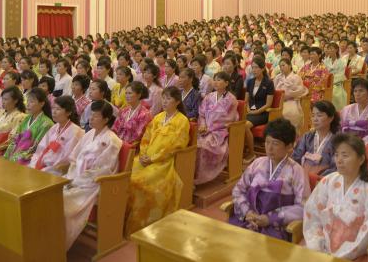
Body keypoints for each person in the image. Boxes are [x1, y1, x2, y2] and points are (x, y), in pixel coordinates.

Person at [303, 133, 368, 260]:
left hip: (354, 255)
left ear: (361, 159)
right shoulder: (328, 181)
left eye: (345, 155)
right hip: (322, 248)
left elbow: (367, 234)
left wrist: (337, 257)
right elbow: (312, 215)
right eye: (336, 155)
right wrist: (317, 246)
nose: (339, 160)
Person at [229, 118, 308, 241]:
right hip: (248, 221)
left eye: (275, 143)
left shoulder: (297, 171)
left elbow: (303, 207)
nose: (269, 148)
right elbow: (238, 190)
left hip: (275, 228)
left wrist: (270, 218)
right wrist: (247, 212)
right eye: (267, 142)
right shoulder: (257, 163)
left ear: (289, 146)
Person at [124, 87, 190, 234]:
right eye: (163, 98)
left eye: (168, 99)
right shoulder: (158, 117)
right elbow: (146, 137)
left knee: (138, 182)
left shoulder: (182, 121)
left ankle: (141, 222)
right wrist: (143, 154)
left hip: (163, 162)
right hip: (146, 158)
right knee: (126, 175)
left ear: (177, 101)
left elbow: (176, 145)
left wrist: (154, 158)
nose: (164, 101)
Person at [62, 101, 122, 249]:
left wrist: (77, 181)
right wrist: (71, 177)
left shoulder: (112, 140)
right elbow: (74, 158)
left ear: (106, 119)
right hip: (76, 177)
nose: (91, 118)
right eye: (91, 115)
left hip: (93, 184)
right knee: (50, 193)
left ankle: (59, 243)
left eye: (96, 116)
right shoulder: (88, 134)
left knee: (63, 201)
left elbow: (104, 169)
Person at [194, 72, 239, 185]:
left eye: (219, 80)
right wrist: (203, 124)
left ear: (226, 83)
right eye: (215, 80)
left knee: (205, 145)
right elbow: (202, 113)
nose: (216, 82)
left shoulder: (232, 100)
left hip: (219, 132)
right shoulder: (209, 97)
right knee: (193, 144)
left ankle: (201, 176)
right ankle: (191, 174)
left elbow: (229, 119)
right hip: (204, 129)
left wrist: (210, 128)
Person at [30, 96, 85, 175]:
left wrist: (46, 166)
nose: (54, 112)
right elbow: (41, 148)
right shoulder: (54, 128)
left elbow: (67, 158)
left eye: (58, 109)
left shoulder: (76, 132)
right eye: (53, 108)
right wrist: (35, 162)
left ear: (68, 112)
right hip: (44, 164)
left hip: (58, 170)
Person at [3, 87, 54, 165]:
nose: (28, 104)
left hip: (30, 159)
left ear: (42, 103)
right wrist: (7, 156)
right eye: (28, 101)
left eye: (32, 101)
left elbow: (36, 148)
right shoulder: (26, 118)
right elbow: (15, 139)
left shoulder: (47, 124)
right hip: (16, 155)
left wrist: (17, 157)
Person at [291, 101, 339, 177]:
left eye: (319, 115)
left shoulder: (338, 140)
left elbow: (335, 166)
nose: (315, 119)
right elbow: (296, 157)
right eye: (313, 116)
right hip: (302, 177)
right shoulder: (307, 137)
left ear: (331, 118)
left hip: (324, 180)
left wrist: (317, 178)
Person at [244, 56, 275, 163]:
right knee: (236, 123)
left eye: (256, 67)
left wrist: (255, 112)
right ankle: (239, 150)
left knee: (245, 125)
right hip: (250, 112)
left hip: (262, 113)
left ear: (262, 68)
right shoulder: (250, 82)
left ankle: (252, 153)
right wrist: (248, 109)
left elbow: (268, 104)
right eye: (252, 68)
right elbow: (246, 100)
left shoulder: (268, 83)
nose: (254, 70)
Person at [340, 78, 368, 143]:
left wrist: (361, 143)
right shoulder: (346, 109)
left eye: (361, 91)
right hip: (347, 142)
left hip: (366, 144)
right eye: (355, 91)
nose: (357, 94)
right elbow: (341, 128)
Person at [273, 58, 307, 132]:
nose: (281, 68)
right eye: (280, 66)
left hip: (291, 100)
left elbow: (299, 91)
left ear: (290, 66)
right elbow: (273, 89)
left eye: (283, 65)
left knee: (288, 113)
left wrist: (287, 95)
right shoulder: (278, 77)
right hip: (279, 102)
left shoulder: (296, 77)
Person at [324, 42, 347, 110]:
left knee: (334, 93)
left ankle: (334, 110)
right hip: (326, 81)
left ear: (336, 50)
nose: (329, 50)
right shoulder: (326, 60)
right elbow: (324, 72)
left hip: (336, 83)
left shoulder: (342, 61)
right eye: (328, 49)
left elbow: (341, 74)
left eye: (331, 49)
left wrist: (331, 80)